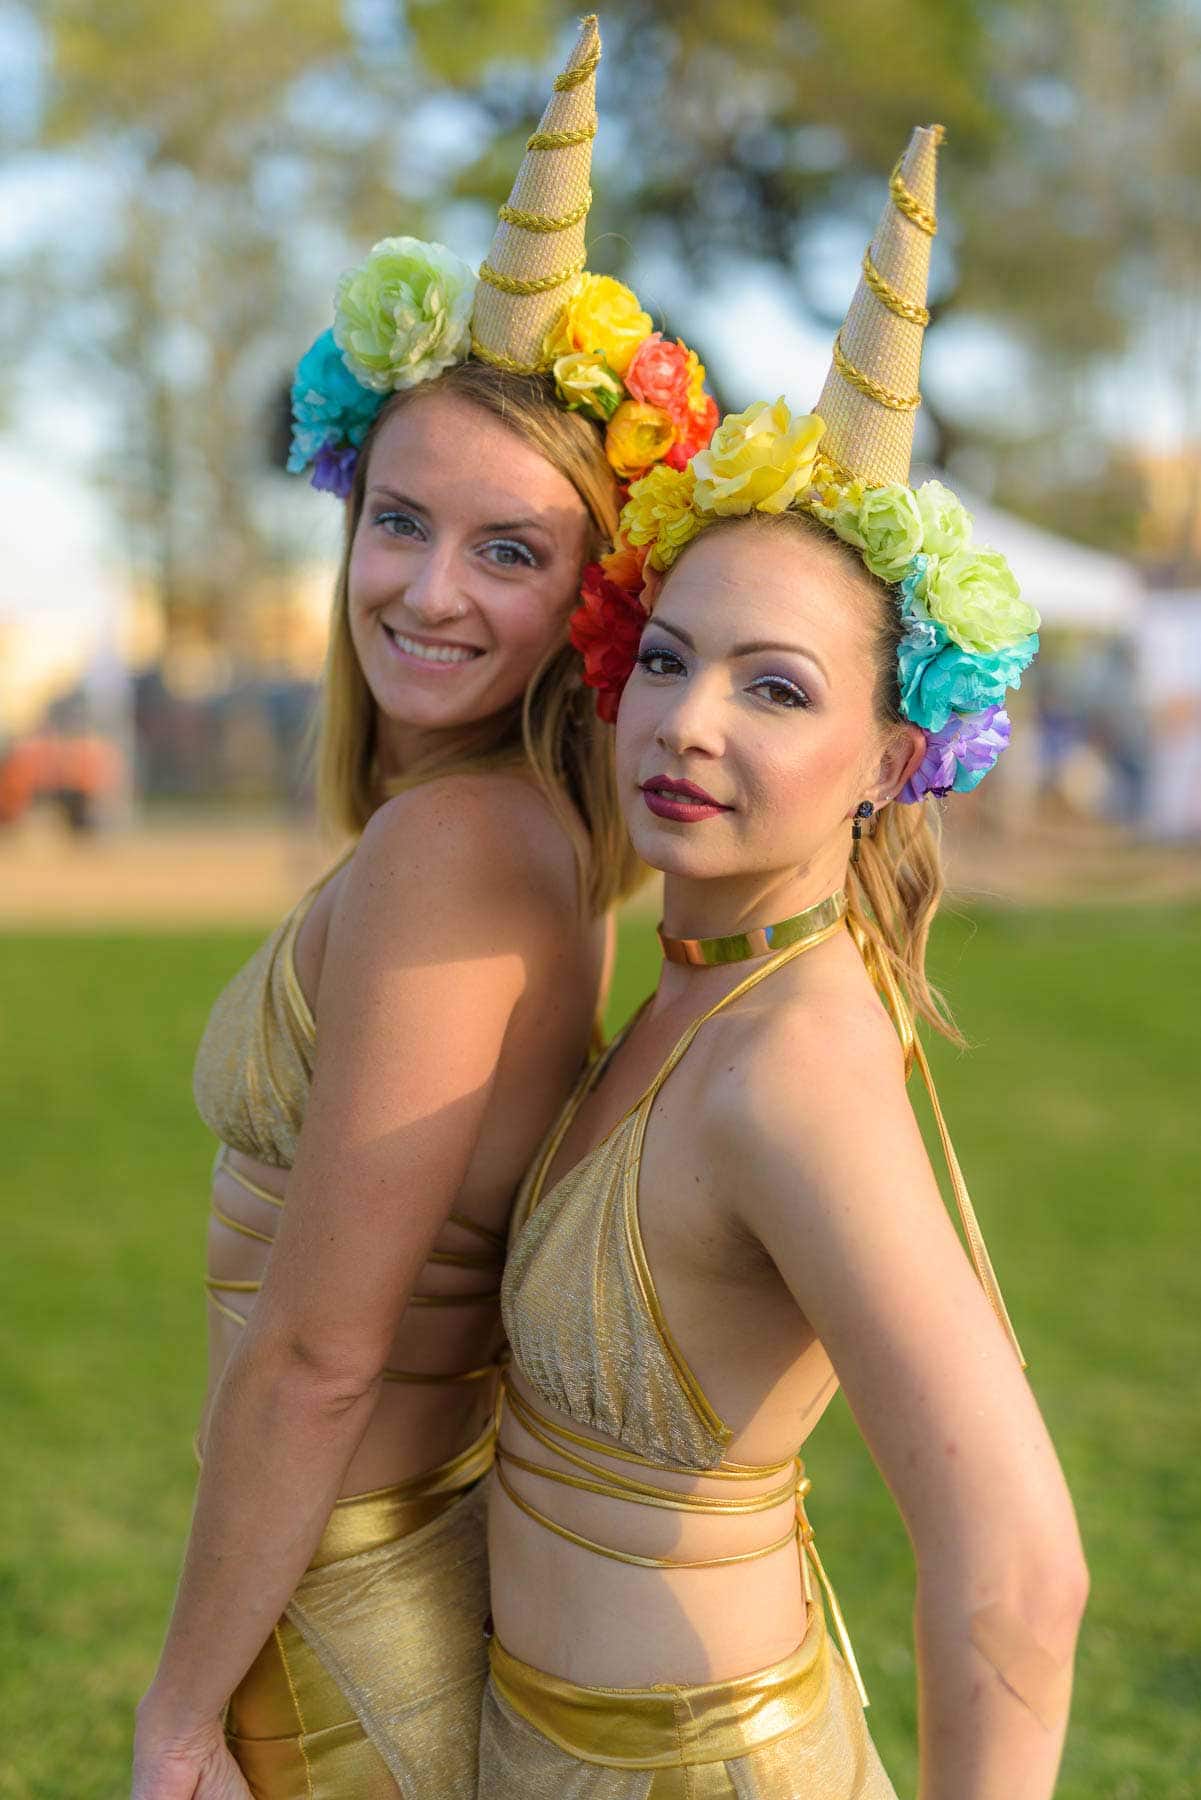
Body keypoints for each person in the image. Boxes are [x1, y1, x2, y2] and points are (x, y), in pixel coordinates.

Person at [132, 17, 722, 1799]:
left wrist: (174, 1713)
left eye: (510, 551)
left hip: (338, 1595)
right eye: (402, 521)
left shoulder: (459, 854)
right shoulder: (521, 834)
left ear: (588, 601)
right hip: (358, 1556)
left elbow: (323, 1352)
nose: (428, 592)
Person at [484, 125, 1088, 1798]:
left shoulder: (790, 1062)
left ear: (898, 757)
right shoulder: (693, 977)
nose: (684, 721)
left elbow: (1021, 1569)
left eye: (776, 686)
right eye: (668, 658)